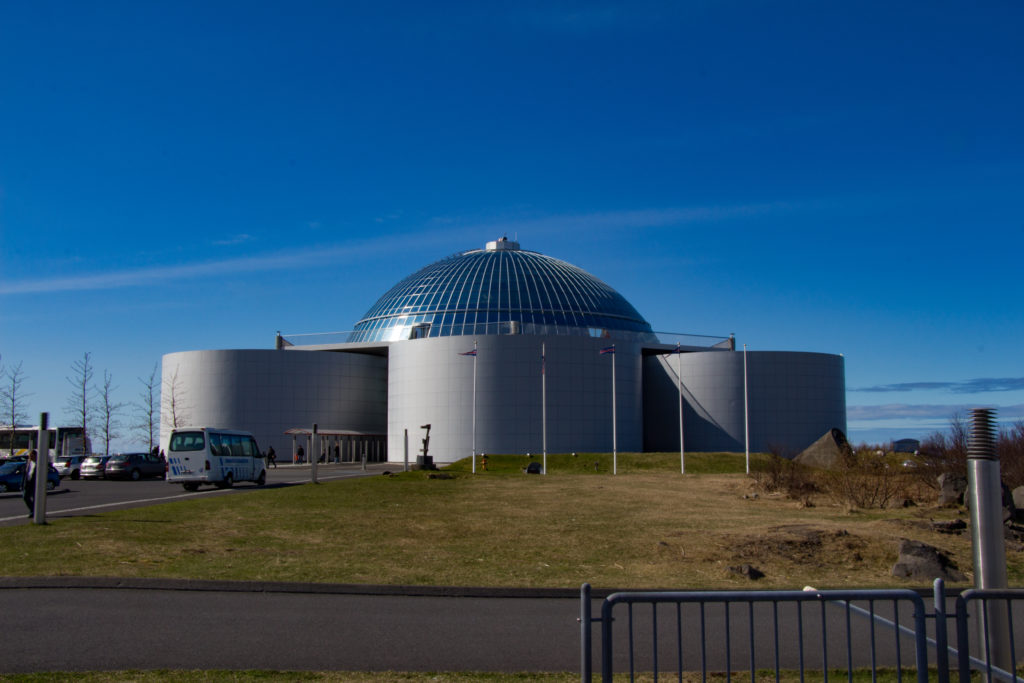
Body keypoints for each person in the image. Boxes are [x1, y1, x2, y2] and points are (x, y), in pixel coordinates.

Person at [22, 450, 37, 518]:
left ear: (35, 456)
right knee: (25, 497)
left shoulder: (38, 463)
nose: (30, 457)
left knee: (35, 498)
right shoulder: (28, 463)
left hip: (35, 484)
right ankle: (33, 509)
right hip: (27, 483)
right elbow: (25, 474)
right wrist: (23, 483)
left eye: (31, 456)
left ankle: (33, 512)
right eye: (29, 456)